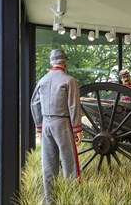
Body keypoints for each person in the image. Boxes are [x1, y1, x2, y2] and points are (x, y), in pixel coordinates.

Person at [30, 49, 82, 203]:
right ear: (64, 63)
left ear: (50, 63)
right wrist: (77, 129)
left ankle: (49, 200)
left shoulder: (42, 80)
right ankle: (71, 198)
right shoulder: (69, 80)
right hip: (62, 123)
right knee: (69, 162)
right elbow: (73, 106)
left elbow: (34, 104)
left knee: (48, 163)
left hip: (46, 123)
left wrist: (39, 126)